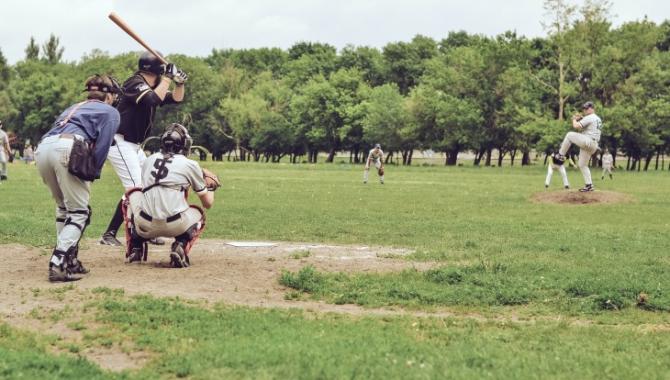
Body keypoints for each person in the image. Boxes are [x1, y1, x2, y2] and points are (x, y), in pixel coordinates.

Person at [35, 75, 121, 282]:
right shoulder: (111, 111)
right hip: (68, 147)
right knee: (80, 212)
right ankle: (59, 261)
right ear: (109, 96)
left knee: (64, 208)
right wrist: (93, 172)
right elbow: (103, 144)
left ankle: (70, 258)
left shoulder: (73, 108)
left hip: (43, 148)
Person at [100, 51, 188, 246]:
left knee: (149, 186)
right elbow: (152, 100)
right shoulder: (135, 82)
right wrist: (167, 77)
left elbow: (175, 98)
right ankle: (110, 233)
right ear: (157, 70)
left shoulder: (152, 87)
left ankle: (146, 230)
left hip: (134, 146)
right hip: (120, 143)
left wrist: (179, 83)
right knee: (135, 190)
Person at [123, 123, 216, 268]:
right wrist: (211, 187)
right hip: (175, 225)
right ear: (183, 144)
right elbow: (208, 203)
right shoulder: (190, 164)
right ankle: (181, 244)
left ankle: (135, 246)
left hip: (144, 225)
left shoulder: (149, 160)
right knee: (199, 213)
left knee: (130, 197)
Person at [553, 101, 602, 192]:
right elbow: (587, 126)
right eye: (584, 108)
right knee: (582, 164)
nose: (585, 110)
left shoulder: (590, 117)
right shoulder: (597, 118)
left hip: (588, 141)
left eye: (587, 108)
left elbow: (576, 126)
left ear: (592, 108)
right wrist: (581, 118)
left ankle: (560, 155)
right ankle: (589, 185)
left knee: (569, 135)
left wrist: (574, 119)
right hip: (593, 145)